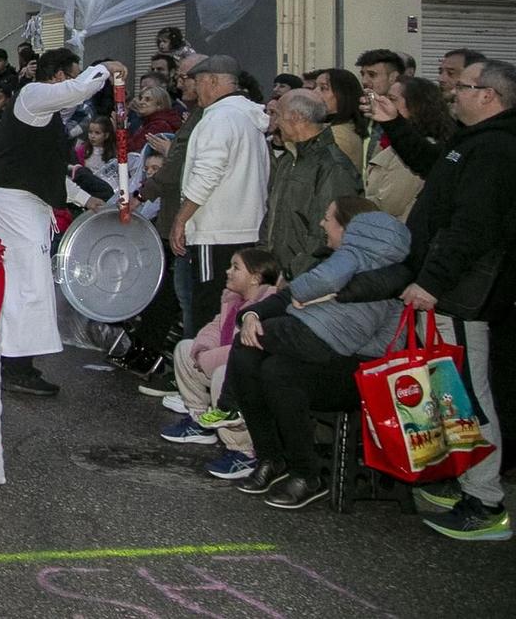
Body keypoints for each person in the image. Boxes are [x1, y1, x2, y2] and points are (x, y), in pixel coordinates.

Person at [225, 197, 410, 509]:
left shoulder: (382, 275)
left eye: (328, 218)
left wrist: (278, 327)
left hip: (362, 371)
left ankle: (306, 473)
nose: (323, 224)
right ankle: (272, 458)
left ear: (349, 227)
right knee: (248, 355)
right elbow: (287, 299)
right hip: (321, 354)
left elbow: (344, 341)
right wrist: (252, 317)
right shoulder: (333, 262)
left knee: (278, 371)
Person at [396, 57, 516, 541]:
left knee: (469, 395)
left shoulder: (496, 150)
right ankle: (458, 478)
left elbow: (473, 226)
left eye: (463, 87)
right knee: (451, 391)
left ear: (489, 95)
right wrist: (396, 127)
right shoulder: (470, 144)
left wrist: (434, 281)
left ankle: (486, 503)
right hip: (452, 290)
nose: (453, 94)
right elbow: (434, 172)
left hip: (466, 295)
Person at [0, 46, 113, 396]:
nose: (73, 84)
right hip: (15, 207)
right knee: (25, 288)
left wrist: (87, 199)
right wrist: (102, 68)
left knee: (26, 287)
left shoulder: (45, 112)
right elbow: (76, 90)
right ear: (58, 76)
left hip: (22, 205)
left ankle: (14, 363)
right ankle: (14, 366)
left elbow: (48, 170)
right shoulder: (32, 95)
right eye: (71, 75)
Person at [159, 245, 282, 479]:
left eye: (235, 267)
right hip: (216, 359)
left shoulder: (268, 306)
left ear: (255, 278)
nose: (227, 271)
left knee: (223, 374)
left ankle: (245, 452)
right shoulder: (233, 298)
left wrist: (206, 357)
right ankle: (199, 420)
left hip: (249, 375)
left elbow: (241, 350)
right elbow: (215, 326)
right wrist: (202, 347)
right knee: (185, 348)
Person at [169, 55, 269, 335]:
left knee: (207, 309)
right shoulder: (248, 118)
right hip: (246, 229)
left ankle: (200, 370)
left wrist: (182, 219)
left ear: (212, 81)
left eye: (197, 82)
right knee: (231, 309)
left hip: (216, 232)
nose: (195, 90)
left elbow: (207, 175)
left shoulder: (219, 118)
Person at [259, 89, 362, 277]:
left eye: (278, 115)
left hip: (306, 278)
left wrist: (294, 274)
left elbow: (325, 234)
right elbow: (272, 214)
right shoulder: (289, 159)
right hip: (277, 273)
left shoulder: (332, 166)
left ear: (296, 117)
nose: (274, 122)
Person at [363, 76, 450, 218]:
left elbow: (389, 204)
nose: (384, 104)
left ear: (415, 106)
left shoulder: (416, 150)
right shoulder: (389, 141)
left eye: (392, 99)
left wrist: (354, 203)